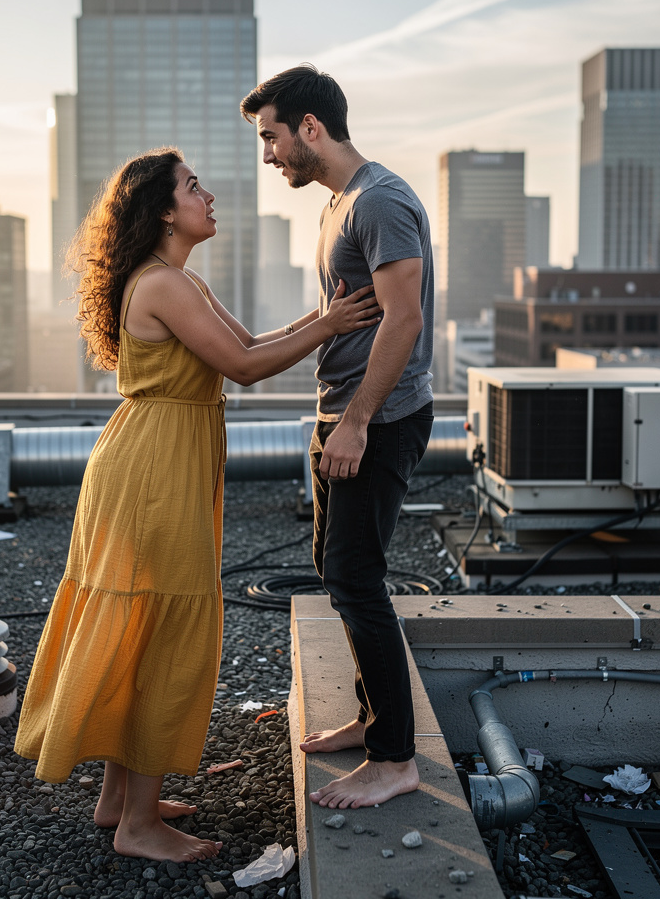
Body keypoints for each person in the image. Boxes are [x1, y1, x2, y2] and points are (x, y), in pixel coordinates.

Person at [14, 146, 379, 862]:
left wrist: (322, 314)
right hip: (153, 469)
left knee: (142, 622)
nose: (208, 196)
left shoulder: (179, 280)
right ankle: (140, 827)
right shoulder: (165, 284)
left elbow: (248, 343)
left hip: (157, 458)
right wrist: (331, 327)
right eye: (192, 187)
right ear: (161, 210)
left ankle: (120, 799)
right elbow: (244, 369)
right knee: (161, 628)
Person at [241, 66, 435, 810]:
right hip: (343, 415)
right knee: (335, 567)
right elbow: (341, 314)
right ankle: (371, 717)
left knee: (357, 577)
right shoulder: (338, 205)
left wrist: (354, 422)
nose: (268, 156)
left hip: (376, 421)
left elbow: (405, 317)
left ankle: (394, 760)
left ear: (310, 128)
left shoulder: (379, 200)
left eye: (272, 137)